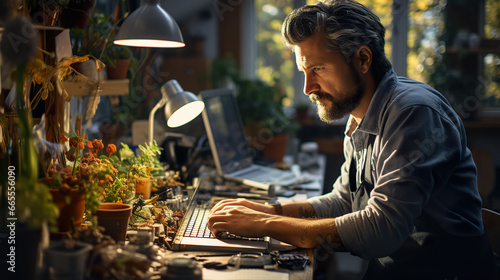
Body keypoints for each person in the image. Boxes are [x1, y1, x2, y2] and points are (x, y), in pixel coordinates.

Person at [207, 0, 496, 279]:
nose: (308, 88)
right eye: (303, 72)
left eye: (318, 69)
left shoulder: (413, 114)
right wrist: (270, 210)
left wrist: (265, 225)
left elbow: (381, 230)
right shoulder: (360, 113)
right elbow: (345, 201)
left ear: (362, 59)